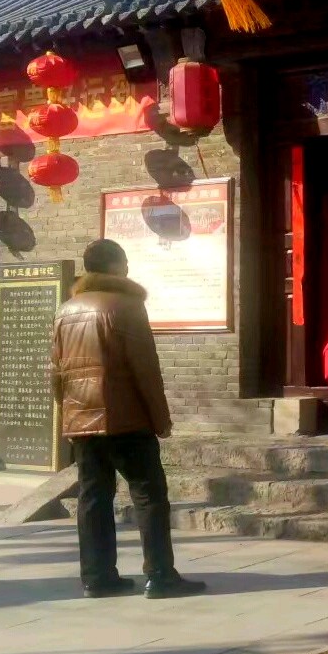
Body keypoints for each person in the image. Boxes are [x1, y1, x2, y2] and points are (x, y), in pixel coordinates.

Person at [53, 238, 205, 600]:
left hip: (83, 420)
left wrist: (68, 413)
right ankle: (160, 575)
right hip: (127, 418)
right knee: (149, 495)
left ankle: (97, 577)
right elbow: (145, 370)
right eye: (124, 263)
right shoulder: (127, 305)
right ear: (117, 265)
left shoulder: (66, 310)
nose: (127, 269)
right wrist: (160, 419)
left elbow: (56, 373)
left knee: (93, 497)